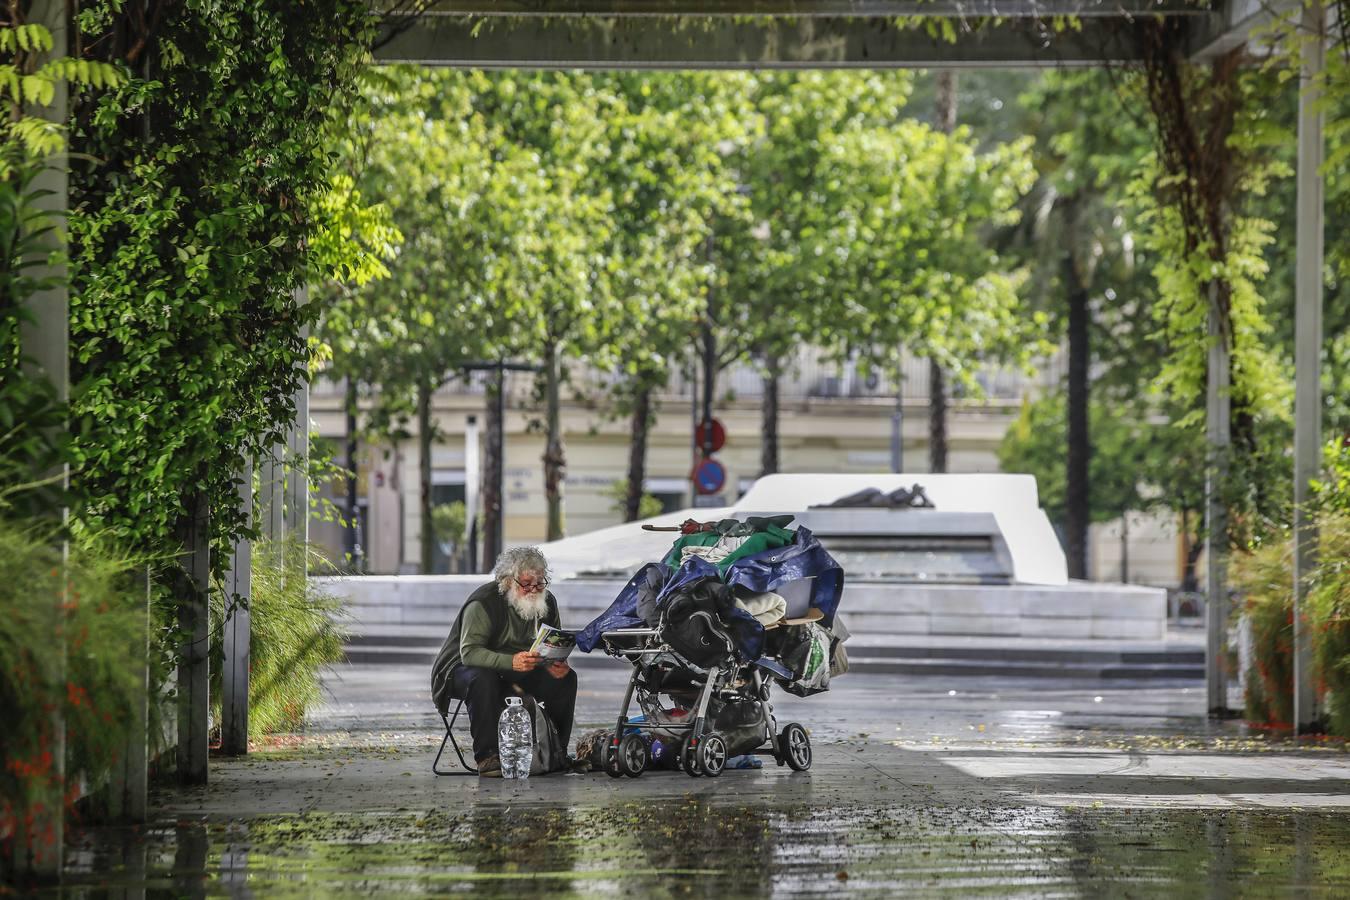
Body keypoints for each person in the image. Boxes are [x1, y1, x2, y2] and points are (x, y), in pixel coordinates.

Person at [430, 547, 576, 777]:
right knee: (483, 678)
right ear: (508, 582)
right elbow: (469, 653)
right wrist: (511, 662)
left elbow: (551, 642)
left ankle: (555, 752)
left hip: (517, 666)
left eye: (540, 583)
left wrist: (555, 663)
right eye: (526, 584)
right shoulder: (484, 602)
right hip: (461, 669)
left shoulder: (547, 602)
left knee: (565, 678)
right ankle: (487, 757)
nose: (534, 590)